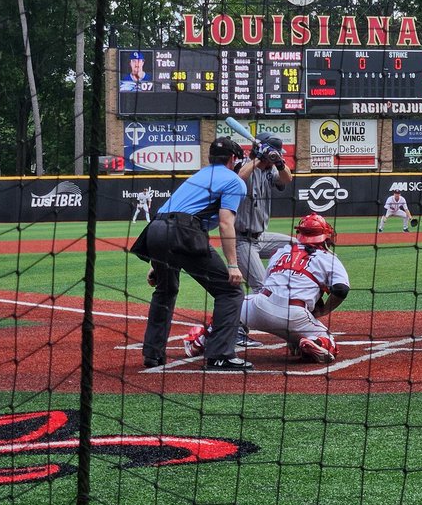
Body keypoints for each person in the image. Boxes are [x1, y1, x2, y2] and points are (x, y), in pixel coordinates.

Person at [130, 136, 251, 371]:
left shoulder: (198, 176)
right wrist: (233, 265)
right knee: (230, 291)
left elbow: (171, 213)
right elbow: (226, 223)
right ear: (233, 159)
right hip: (183, 232)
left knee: (165, 290)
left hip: (155, 230)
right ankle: (220, 355)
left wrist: (157, 262)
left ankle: (153, 354)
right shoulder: (234, 181)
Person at [187, 214, 349, 365]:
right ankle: (315, 342)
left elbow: (268, 282)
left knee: (232, 306)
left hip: (260, 304)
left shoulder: (282, 251)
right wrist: (323, 311)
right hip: (295, 315)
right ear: (324, 237)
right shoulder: (328, 258)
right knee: (331, 346)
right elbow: (341, 289)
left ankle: (200, 339)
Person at [232, 131, 294, 292]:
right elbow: (239, 177)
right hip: (241, 240)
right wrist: (260, 157)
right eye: (273, 154)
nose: (275, 157)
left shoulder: (271, 170)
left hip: (261, 237)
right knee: (262, 288)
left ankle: (287, 283)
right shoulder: (243, 164)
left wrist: (279, 163)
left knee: (298, 246)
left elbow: (287, 178)